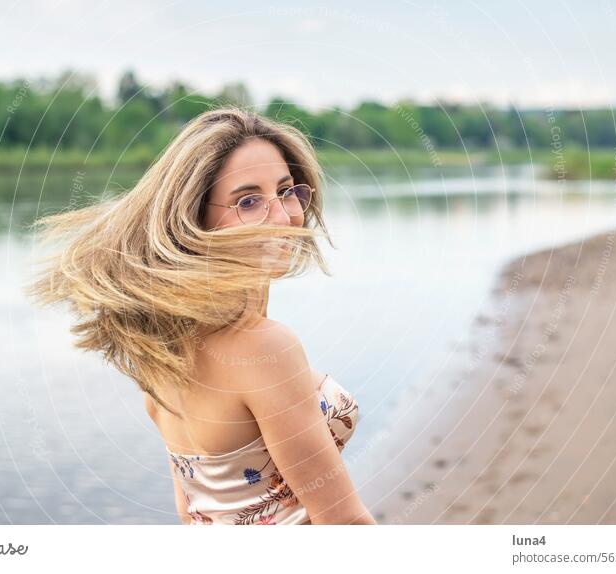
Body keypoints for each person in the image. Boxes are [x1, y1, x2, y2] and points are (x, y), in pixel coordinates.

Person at [27, 107, 375, 525]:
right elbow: (345, 524)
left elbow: (191, 513)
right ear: (196, 218)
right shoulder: (266, 347)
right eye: (248, 201)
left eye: (286, 191)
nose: (283, 216)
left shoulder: (162, 347)